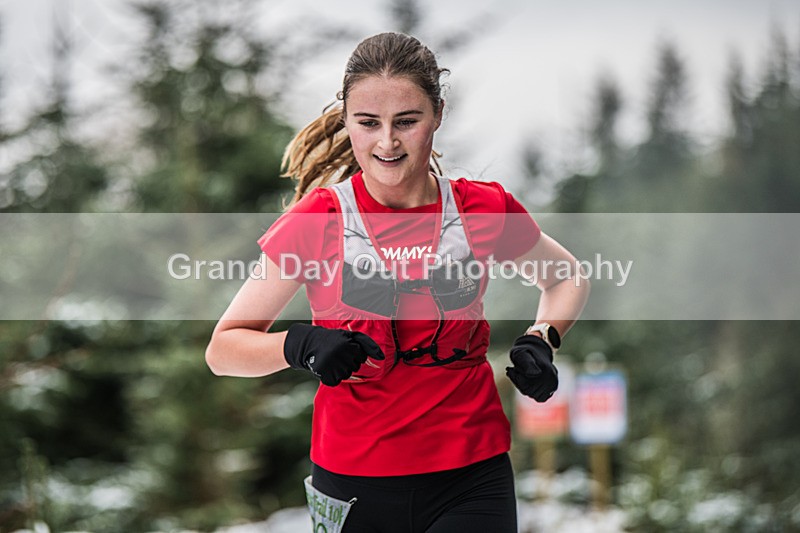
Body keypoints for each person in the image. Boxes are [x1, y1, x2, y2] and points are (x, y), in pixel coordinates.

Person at [206, 32, 590, 533]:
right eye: (368, 123)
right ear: (347, 120)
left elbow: (565, 277)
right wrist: (300, 343)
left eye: (407, 122)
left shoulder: (482, 208)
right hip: (353, 482)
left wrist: (543, 337)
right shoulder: (318, 219)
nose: (387, 142)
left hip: (472, 475)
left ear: (438, 115)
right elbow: (223, 349)